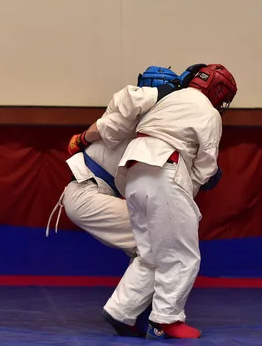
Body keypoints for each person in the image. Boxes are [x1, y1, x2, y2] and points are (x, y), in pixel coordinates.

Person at [68, 64, 237, 340]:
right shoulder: (207, 111)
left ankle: (120, 311)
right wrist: (191, 185)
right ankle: (165, 320)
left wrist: (82, 138)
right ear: (219, 93)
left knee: (151, 252)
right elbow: (206, 166)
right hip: (164, 170)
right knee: (182, 254)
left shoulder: (163, 100)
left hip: (132, 173)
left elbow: (115, 121)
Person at [46, 66, 184, 259]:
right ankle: (147, 290)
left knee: (148, 248)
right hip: (86, 194)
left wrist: (82, 139)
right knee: (157, 238)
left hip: (91, 193)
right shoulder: (129, 103)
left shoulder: (155, 124)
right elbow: (111, 124)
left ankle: (140, 290)